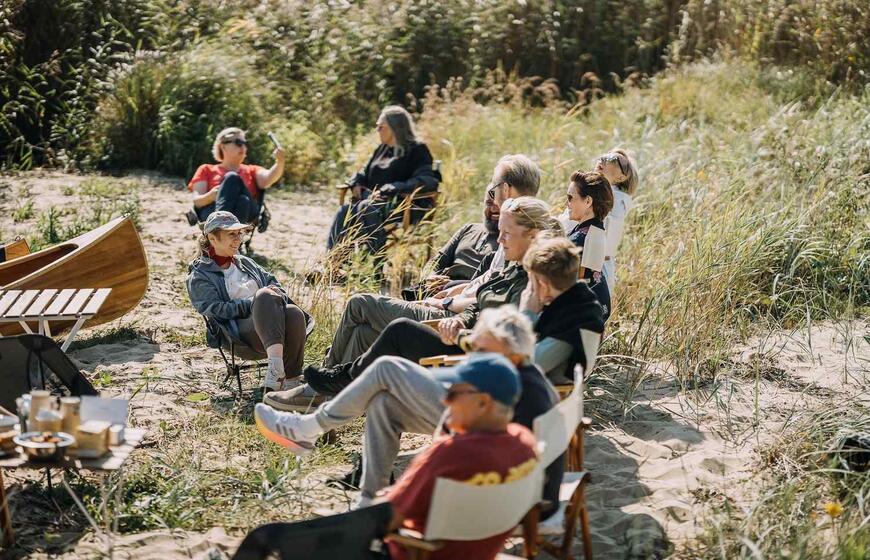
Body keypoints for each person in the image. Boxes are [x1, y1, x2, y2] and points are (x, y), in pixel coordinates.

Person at [263, 158, 542, 413]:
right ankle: (326, 404)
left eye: (493, 190)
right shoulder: (483, 232)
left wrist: (445, 299)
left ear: (506, 190)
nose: (490, 199)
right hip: (447, 308)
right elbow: (458, 273)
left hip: (454, 324)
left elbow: (488, 298)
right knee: (361, 332)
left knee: (360, 303)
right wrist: (433, 288)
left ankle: (318, 389)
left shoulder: (518, 241)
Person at [254, 311, 558, 525]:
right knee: (384, 403)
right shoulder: (506, 374)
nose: (473, 357)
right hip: (479, 436)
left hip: (502, 494)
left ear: (511, 354)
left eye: (482, 351)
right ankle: (368, 499)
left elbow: (498, 457)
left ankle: (309, 428)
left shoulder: (527, 395)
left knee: (387, 368)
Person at [301, 197, 562, 396]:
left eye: (507, 233)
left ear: (532, 235)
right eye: (500, 231)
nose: (500, 239)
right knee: (363, 334)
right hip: (458, 334)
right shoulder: (513, 268)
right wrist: (460, 319)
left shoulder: (534, 283)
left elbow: (507, 338)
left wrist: (460, 330)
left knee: (399, 328)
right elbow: (480, 306)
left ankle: (337, 381)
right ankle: (329, 393)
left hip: (468, 355)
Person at [187, 211, 312, 391]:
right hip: (238, 336)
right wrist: (253, 303)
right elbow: (213, 309)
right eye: (231, 234)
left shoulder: (245, 262)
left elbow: (273, 283)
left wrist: (273, 295)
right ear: (212, 239)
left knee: (293, 312)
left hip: (273, 328)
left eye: (240, 233)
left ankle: (291, 380)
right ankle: (276, 370)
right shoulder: (201, 274)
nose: (238, 239)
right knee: (263, 296)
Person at [328, 105, 440, 254]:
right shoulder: (382, 148)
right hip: (372, 203)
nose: (377, 130)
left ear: (394, 128)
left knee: (366, 208)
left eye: (380, 127)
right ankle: (334, 260)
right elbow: (364, 172)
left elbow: (427, 180)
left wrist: (392, 188)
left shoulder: (417, 150)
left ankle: (377, 262)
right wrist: (356, 182)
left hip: (402, 205)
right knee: (344, 211)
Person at [401, 186, 500, 300]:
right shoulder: (469, 229)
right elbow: (436, 261)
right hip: (435, 290)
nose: (493, 209)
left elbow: (493, 281)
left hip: (463, 296)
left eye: (499, 204)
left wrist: (452, 286)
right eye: (489, 203)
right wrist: (430, 277)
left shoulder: (508, 241)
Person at [188, 127, 285, 224]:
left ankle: (219, 223)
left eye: (244, 143)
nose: (243, 146)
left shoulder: (252, 170)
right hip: (213, 211)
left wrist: (280, 162)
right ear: (223, 146)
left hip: (247, 213)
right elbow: (197, 201)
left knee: (234, 181)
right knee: (242, 199)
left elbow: (269, 178)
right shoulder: (206, 169)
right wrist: (211, 196)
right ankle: (224, 224)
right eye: (238, 142)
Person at [565, 171, 614, 320]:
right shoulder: (597, 230)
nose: (567, 203)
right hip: (598, 311)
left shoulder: (578, 241)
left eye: (570, 197)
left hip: (578, 319)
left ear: (588, 202)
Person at [596, 149, 639, 289]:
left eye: (613, 159)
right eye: (604, 156)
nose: (603, 160)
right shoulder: (593, 192)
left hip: (597, 271)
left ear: (621, 178)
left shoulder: (617, 201)